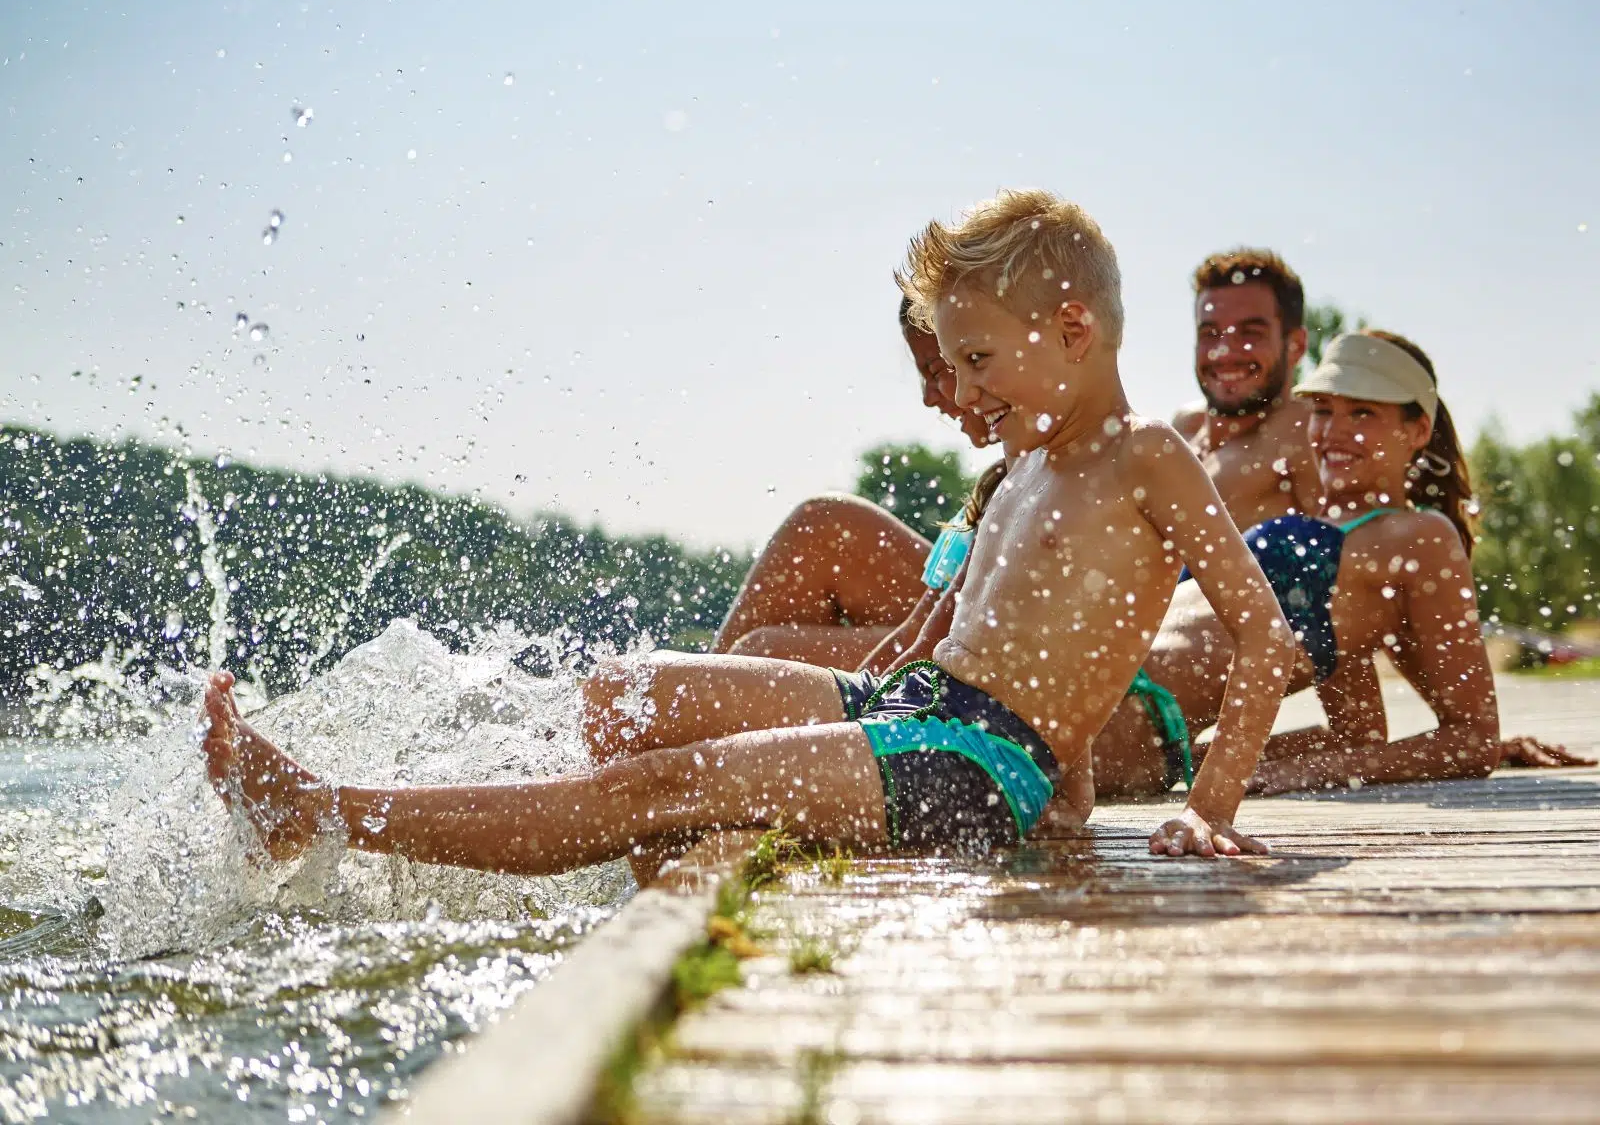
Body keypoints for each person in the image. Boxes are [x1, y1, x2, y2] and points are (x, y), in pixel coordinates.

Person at [199, 189, 1295, 875]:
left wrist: (1208, 809)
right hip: (917, 708)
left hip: (970, 758)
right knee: (630, 693)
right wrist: (1072, 801)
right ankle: (522, 834)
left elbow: (1263, 637)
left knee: (661, 790)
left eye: (975, 361)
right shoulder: (1026, 463)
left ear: (1070, 328)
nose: (962, 393)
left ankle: (324, 811)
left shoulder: (1146, 456)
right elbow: (1043, 631)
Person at [1090, 331, 1509, 800]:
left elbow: (1472, 739)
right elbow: (1357, 736)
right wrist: (1223, 759)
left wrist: (1308, 772)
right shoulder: (1338, 546)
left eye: (1363, 413)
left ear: (1417, 430)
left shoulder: (1420, 537)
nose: (1332, 432)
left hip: (1112, 718)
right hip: (1111, 712)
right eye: (1324, 410)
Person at [711, 297, 997, 669]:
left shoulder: (1044, 466)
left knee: (758, 658)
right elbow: (921, 628)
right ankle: (684, 696)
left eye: (936, 368)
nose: (929, 397)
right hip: (959, 617)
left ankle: (688, 702)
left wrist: (866, 699)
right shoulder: (1010, 472)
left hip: (989, 647)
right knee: (823, 524)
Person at [1173, 250, 1323, 529]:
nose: (1224, 352)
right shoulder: (1185, 427)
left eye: (1250, 333)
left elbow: (1359, 551)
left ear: (1296, 345)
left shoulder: (1304, 429)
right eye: (1210, 334)